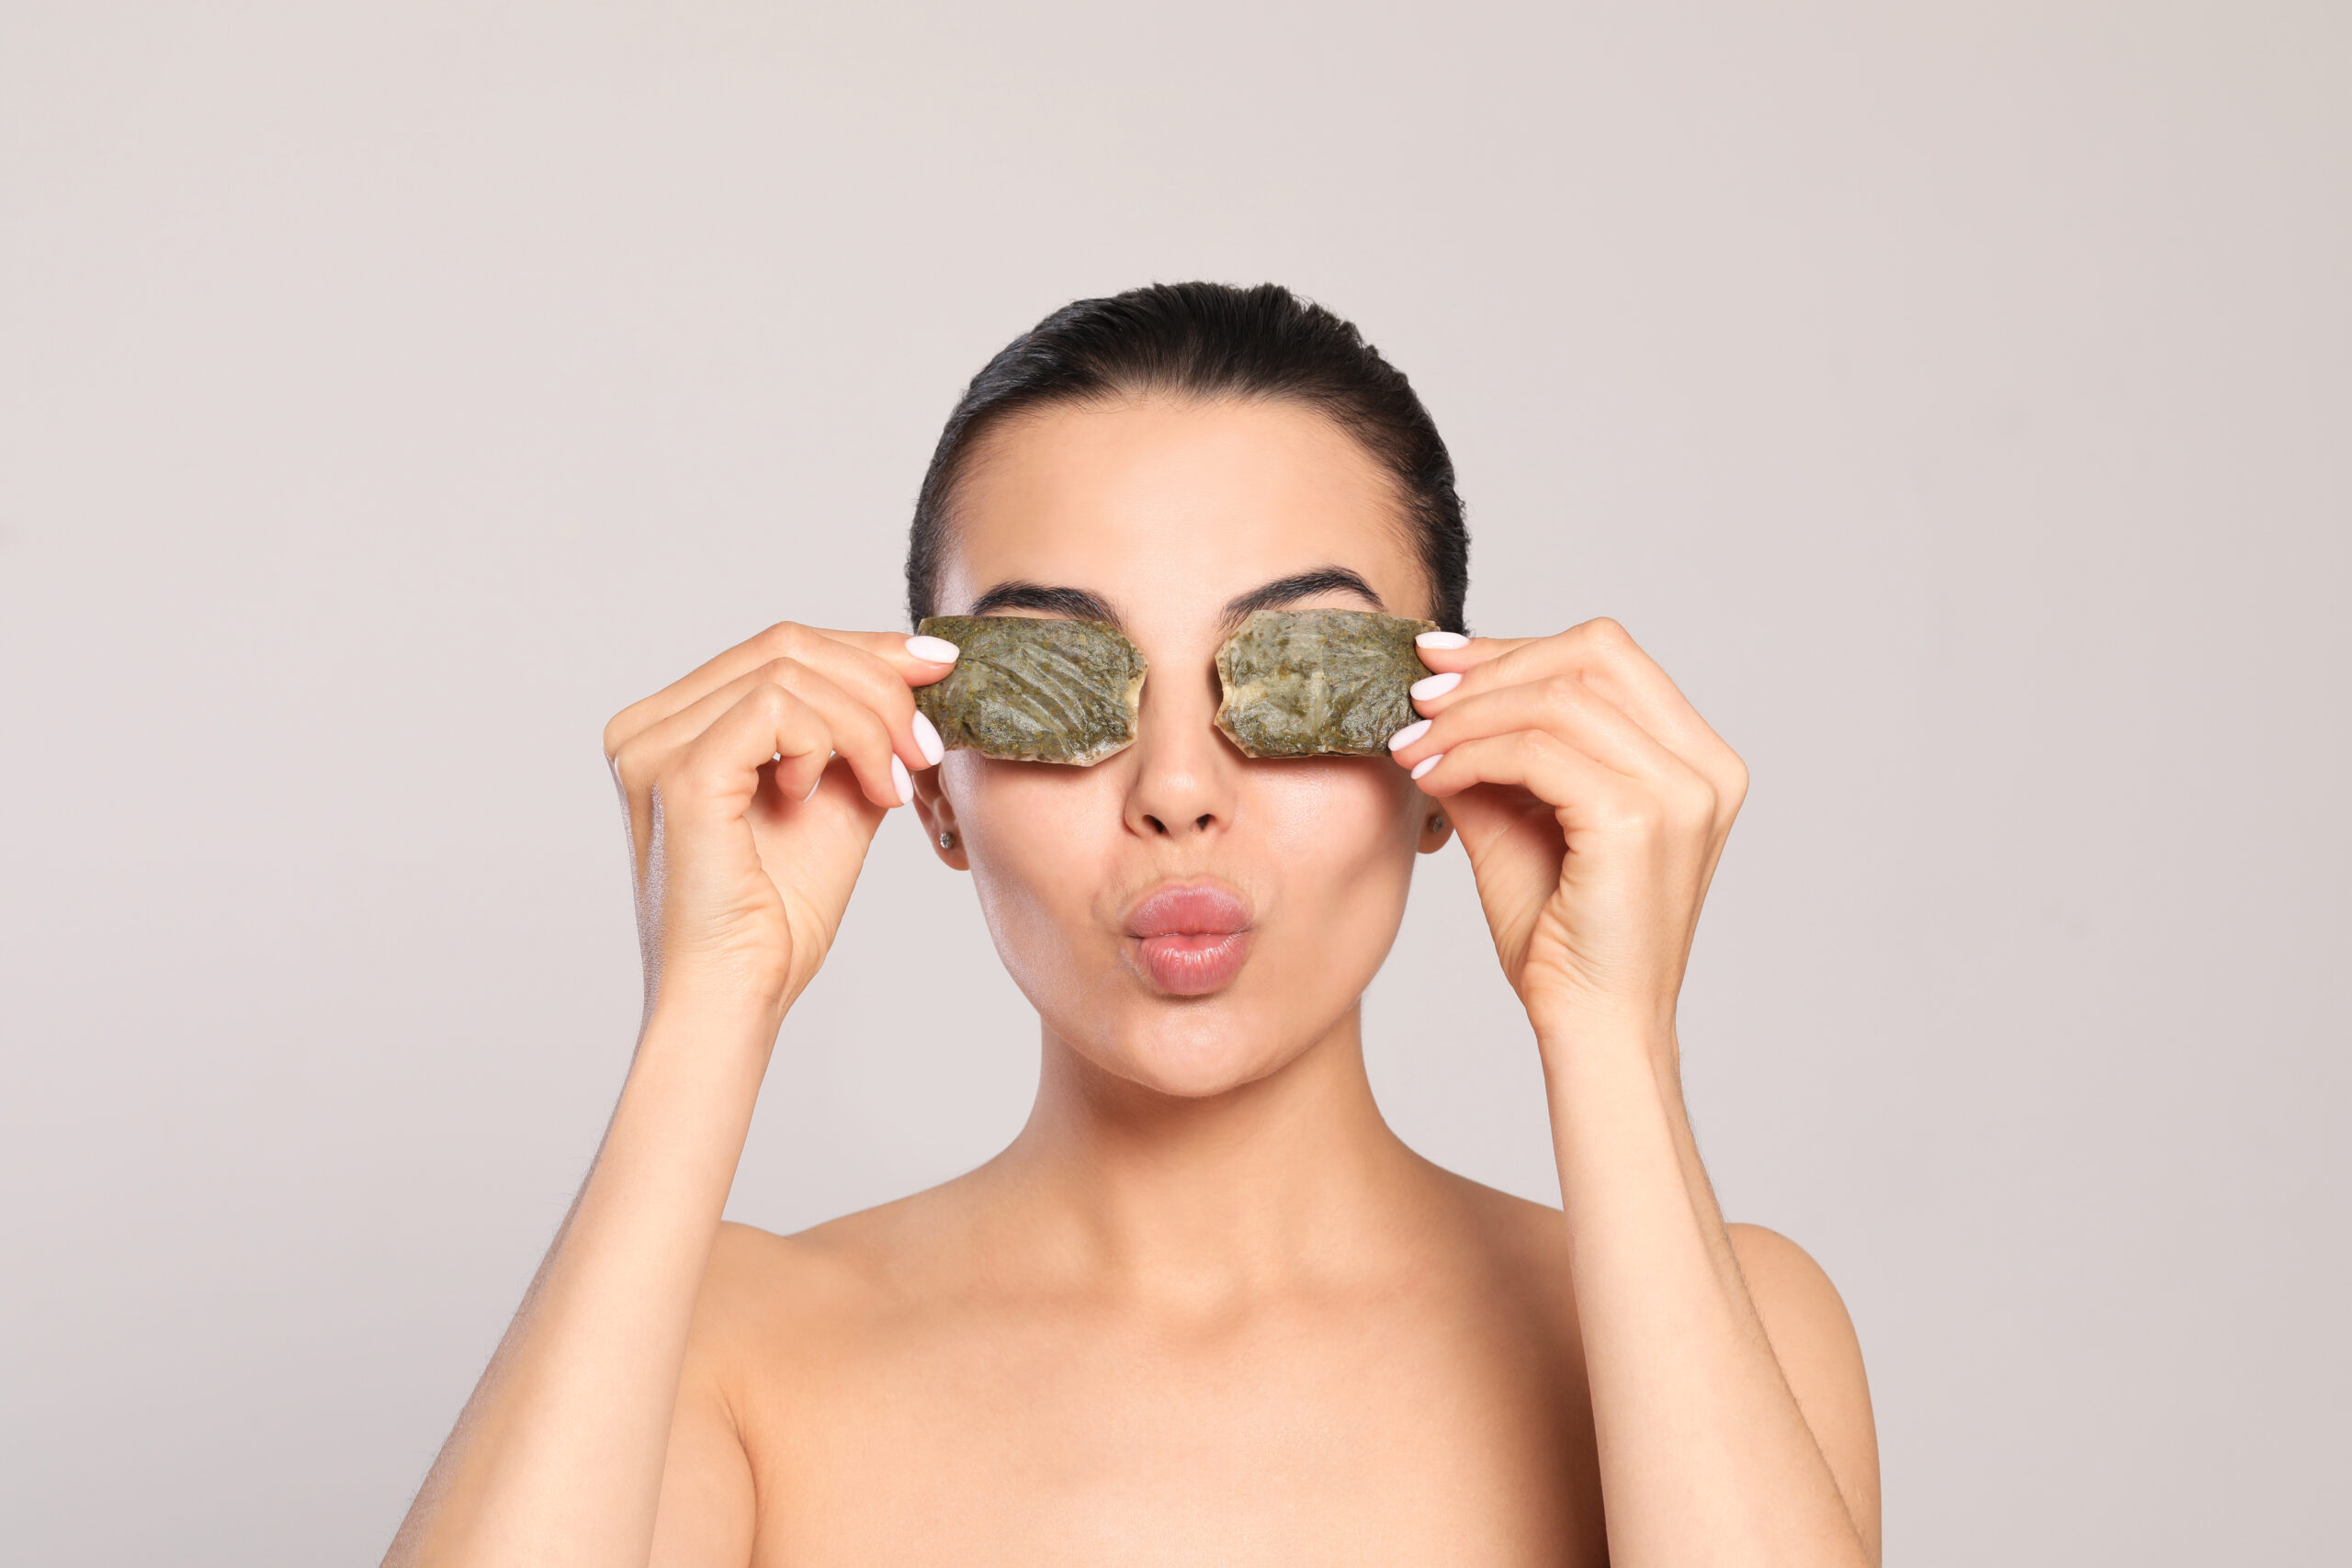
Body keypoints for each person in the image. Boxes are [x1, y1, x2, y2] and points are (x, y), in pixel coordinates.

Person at [384, 282, 1880, 1566]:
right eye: (1053, 687)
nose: (1177, 790)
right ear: (936, 788)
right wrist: (706, 1007)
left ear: (1441, 752)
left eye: (1300, 676)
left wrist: (1609, 1035)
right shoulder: (720, 1352)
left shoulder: (1728, 1319)